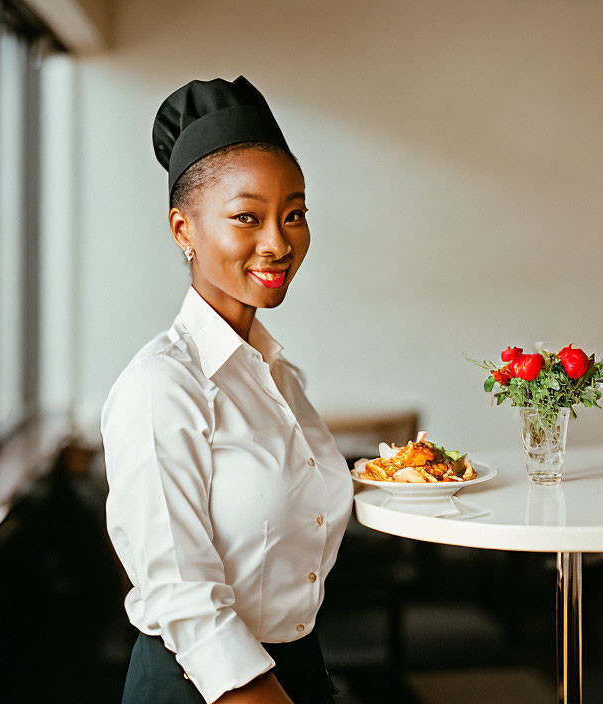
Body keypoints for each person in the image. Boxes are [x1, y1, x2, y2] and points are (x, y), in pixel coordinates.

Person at [101, 75, 354, 704]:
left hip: (298, 671)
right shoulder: (162, 384)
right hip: (209, 686)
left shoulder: (277, 374)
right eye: (248, 217)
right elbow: (181, 593)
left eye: (293, 214)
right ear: (183, 230)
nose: (279, 242)